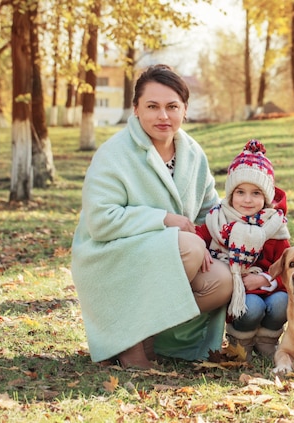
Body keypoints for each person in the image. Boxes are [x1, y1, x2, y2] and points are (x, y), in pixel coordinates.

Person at [71, 64, 233, 369]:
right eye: (152, 106)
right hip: (110, 255)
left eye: (172, 106)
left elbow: (209, 210)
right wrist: (163, 219)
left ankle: (153, 340)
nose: (163, 116)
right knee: (190, 247)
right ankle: (127, 342)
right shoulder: (114, 153)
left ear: (185, 110)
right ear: (135, 109)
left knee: (222, 281)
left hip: (168, 254)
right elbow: (100, 220)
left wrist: (249, 230)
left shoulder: (193, 153)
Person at [195, 139, 291, 362]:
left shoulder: (274, 225)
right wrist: (198, 246)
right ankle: (242, 341)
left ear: (266, 197)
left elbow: (286, 264)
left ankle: (267, 340)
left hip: (268, 286)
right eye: (240, 192)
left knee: (281, 303)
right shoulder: (218, 221)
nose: (247, 200)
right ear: (230, 194)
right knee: (253, 306)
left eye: (256, 193)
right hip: (239, 291)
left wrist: (267, 280)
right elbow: (199, 238)